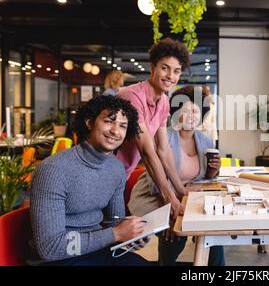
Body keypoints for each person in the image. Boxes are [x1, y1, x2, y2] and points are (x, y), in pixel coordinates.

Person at [29, 95, 151, 266]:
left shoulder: (116, 169)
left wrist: (132, 236)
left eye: (123, 126)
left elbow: (114, 222)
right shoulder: (53, 170)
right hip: (61, 259)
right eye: (109, 121)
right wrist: (116, 234)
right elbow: (50, 248)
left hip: (100, 250)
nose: (116, 131)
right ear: (90, 123)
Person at [128, 85, 225, 266]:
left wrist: (213, 169)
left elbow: (205, 178)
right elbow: (155, 181)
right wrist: (170, 212)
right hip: (157, 197)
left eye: (195, 111)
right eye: (185, 110)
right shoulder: (165, 137)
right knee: (174, 233)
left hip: (188, 198)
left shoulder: (205, 140)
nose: (191, 116)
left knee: (213, 235)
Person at [115, 38, 190, 219]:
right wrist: (169, 196)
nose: (170, 76)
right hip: (99, 173)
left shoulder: (163, 101)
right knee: (106, 233)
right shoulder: (132, 96)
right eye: (165, 68)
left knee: (113, 234)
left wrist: (182, 190)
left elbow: (163, 150)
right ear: (152, 68)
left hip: (120, 176)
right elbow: (148, 151)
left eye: (176, 71)